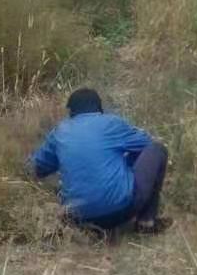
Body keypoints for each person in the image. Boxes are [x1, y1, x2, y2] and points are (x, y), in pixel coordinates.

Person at [28, 88, 169, 238]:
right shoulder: (111, 122)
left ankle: (94, 224)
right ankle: (146, 222)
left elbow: (37, 168)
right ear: (99, 108)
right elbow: (146, 144)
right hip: (121, 210)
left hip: (78, 218)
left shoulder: (59, 132)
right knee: (157, 149)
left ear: (71, 111)